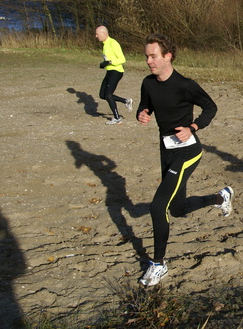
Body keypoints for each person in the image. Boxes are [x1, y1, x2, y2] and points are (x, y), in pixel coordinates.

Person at [136, 33, 234, 287]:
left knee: (158, 206)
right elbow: (146, 105)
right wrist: (142, 113)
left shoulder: (185, 85)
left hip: (188, 151)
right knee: (177, 209)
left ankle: (158, 264)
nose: (149, 61)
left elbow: (210, 107)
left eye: (153, 56)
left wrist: (193, 127)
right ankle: (221, 197)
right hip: (166, 150)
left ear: (168, 56)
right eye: (147, 56)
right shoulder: (148, 83)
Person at [96, 26, 132, 125]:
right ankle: (126, 101)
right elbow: (107, 59)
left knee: (108, 95)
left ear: (104, 33)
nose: (96, 36)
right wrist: (103, 64)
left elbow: (122, 59)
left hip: (116, 71)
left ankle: (117, 118)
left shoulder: (113, 43)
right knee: (102, 95)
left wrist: (109, 62)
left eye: (97, 34)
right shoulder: (105, 44)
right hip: (110, 71)